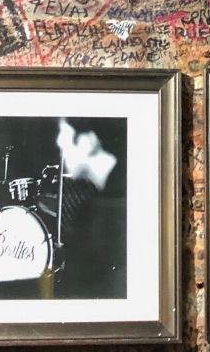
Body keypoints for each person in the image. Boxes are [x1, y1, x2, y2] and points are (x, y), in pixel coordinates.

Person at [52, 117, 127, 299]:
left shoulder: (111, 209)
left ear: (90, 140)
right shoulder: (115, 189)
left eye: (65, 132)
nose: (59, 141)